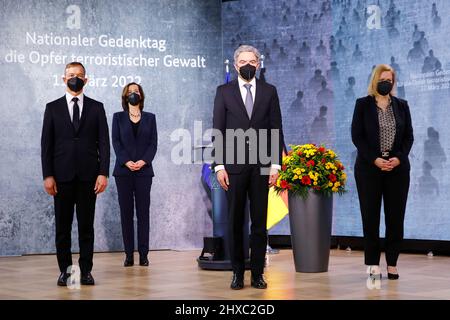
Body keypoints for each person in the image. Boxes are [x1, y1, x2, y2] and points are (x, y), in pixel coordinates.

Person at [213, 45, 284, 290]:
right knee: (235, 222)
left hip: (262, 167)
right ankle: (237, 273)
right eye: (242, 61)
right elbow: (218, 131)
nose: (247, 65)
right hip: (233, 167)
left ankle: (257, 275)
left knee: (259, 223)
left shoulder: (269, 91)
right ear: (235, 65)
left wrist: (276, 164)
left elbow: (276, 129)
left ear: (258, 64)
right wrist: (219, 165)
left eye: (252, 61)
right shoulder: (223, 92)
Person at [41, 62, 110, 286]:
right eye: (71, 75)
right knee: (62, 228)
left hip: (89, 177)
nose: (75, 78)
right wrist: (47, 175)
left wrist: (103, 173)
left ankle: (86, 271)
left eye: (79, 75)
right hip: (61, 178)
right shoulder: (52, 108)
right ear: (63, 79)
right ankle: (66, 272)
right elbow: (46, 145)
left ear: (86, 80)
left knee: (86, 228)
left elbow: (105, 144)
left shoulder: (97, 107)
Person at [351, 64, 413, 280]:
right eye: (383, 78)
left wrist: (398, 159)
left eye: (390, 79)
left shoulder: (402, 105)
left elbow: (409, 137)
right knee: (370, 218)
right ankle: (372, 266)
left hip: (397, 170)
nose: (386, 82)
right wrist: (375, 159)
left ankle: (392, 263)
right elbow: (357, 136)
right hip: (369, 169)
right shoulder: (362, 105)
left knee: (395, 218)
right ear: (375, 80)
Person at [112, 83, 157, 267]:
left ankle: (144, 255)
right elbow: (115, 141)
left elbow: (153, 143)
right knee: (126, 214)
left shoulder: (150, 118)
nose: (133, 94)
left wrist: (143, 161)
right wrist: (126, 161)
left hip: (144, 172)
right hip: (123, 172)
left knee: (143, 214)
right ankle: (129, 254)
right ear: (125, 96)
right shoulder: (118, 117)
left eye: (136, 91)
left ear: (141, 95)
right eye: (130, 92)